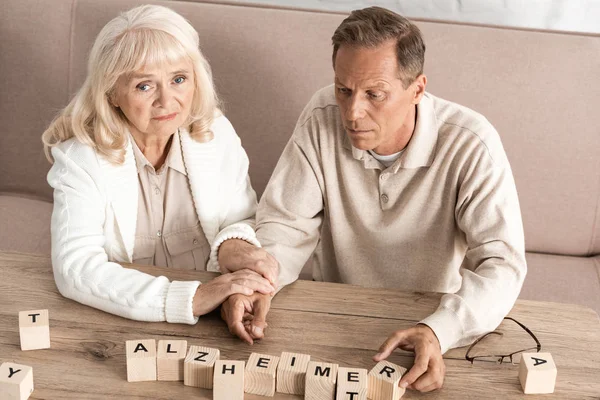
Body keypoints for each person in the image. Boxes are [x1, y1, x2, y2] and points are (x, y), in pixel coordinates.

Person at [217, 6, 527, 392]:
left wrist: (442, 328)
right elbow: (286, 227)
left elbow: (501, 264)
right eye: (343, 90)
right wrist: (257, 285)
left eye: (374, 94)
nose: (352, 111)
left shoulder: (472, 143)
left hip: (435, 325)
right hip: (333, 313)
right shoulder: (321, 117)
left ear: (417, 89)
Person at [42, 5, 276, 325]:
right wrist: (190, 299)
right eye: (144, 85)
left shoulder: (216, 132)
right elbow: (75, 268)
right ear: (111, 93)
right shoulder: (81, 158)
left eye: (178, 79)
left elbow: (242, 218)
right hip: (118, 317)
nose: (167, 101)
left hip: (217, 309)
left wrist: (233, 249)